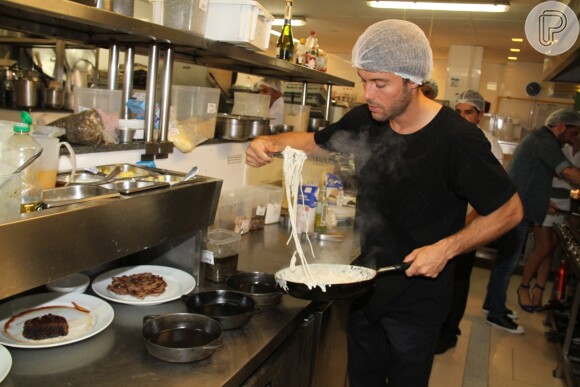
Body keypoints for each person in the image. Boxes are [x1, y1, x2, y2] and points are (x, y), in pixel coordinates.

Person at [246, 19, 523, 387]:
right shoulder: (366, 118)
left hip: (419, 296)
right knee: (362, 378)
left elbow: (510, 210)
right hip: (368, 282)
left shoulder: (458, 140)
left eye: (380, 83)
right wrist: (272, 142)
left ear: (413, 81)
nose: (368, 93)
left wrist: (446, 248)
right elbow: (317, 141)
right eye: (364, 80)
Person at [483, 108, 580, 334]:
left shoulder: (543, 141)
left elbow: (531, 177)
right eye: (573, 133)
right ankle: (496, 315)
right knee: (507, 264)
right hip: (517, 213)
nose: (573, 138)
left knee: (505, 262)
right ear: (562, 126)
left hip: (521, 209)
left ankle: (493, 305)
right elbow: (568, 173)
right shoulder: (544, 141)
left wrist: (544, 203)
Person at [435, 89, 505, 354]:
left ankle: (450, 331)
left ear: (480, 115)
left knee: (459, 280)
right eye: (459, 111)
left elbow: (489, 194)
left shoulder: (488, 143)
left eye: (469, 112)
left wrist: (467, 226)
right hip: (444, 219)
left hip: (469, 224)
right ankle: (435, 327)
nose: (463, 117)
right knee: (440, 278)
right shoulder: (448, 137)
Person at [517, 128, 580, 312]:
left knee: (551, 248)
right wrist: (543, 199)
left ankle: (539, 292)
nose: (575, 137)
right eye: (574, 133)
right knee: (543, 246)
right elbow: (559, 173)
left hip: (564, 201)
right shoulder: (557, 147)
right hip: (546, 199)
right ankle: (524, 287)